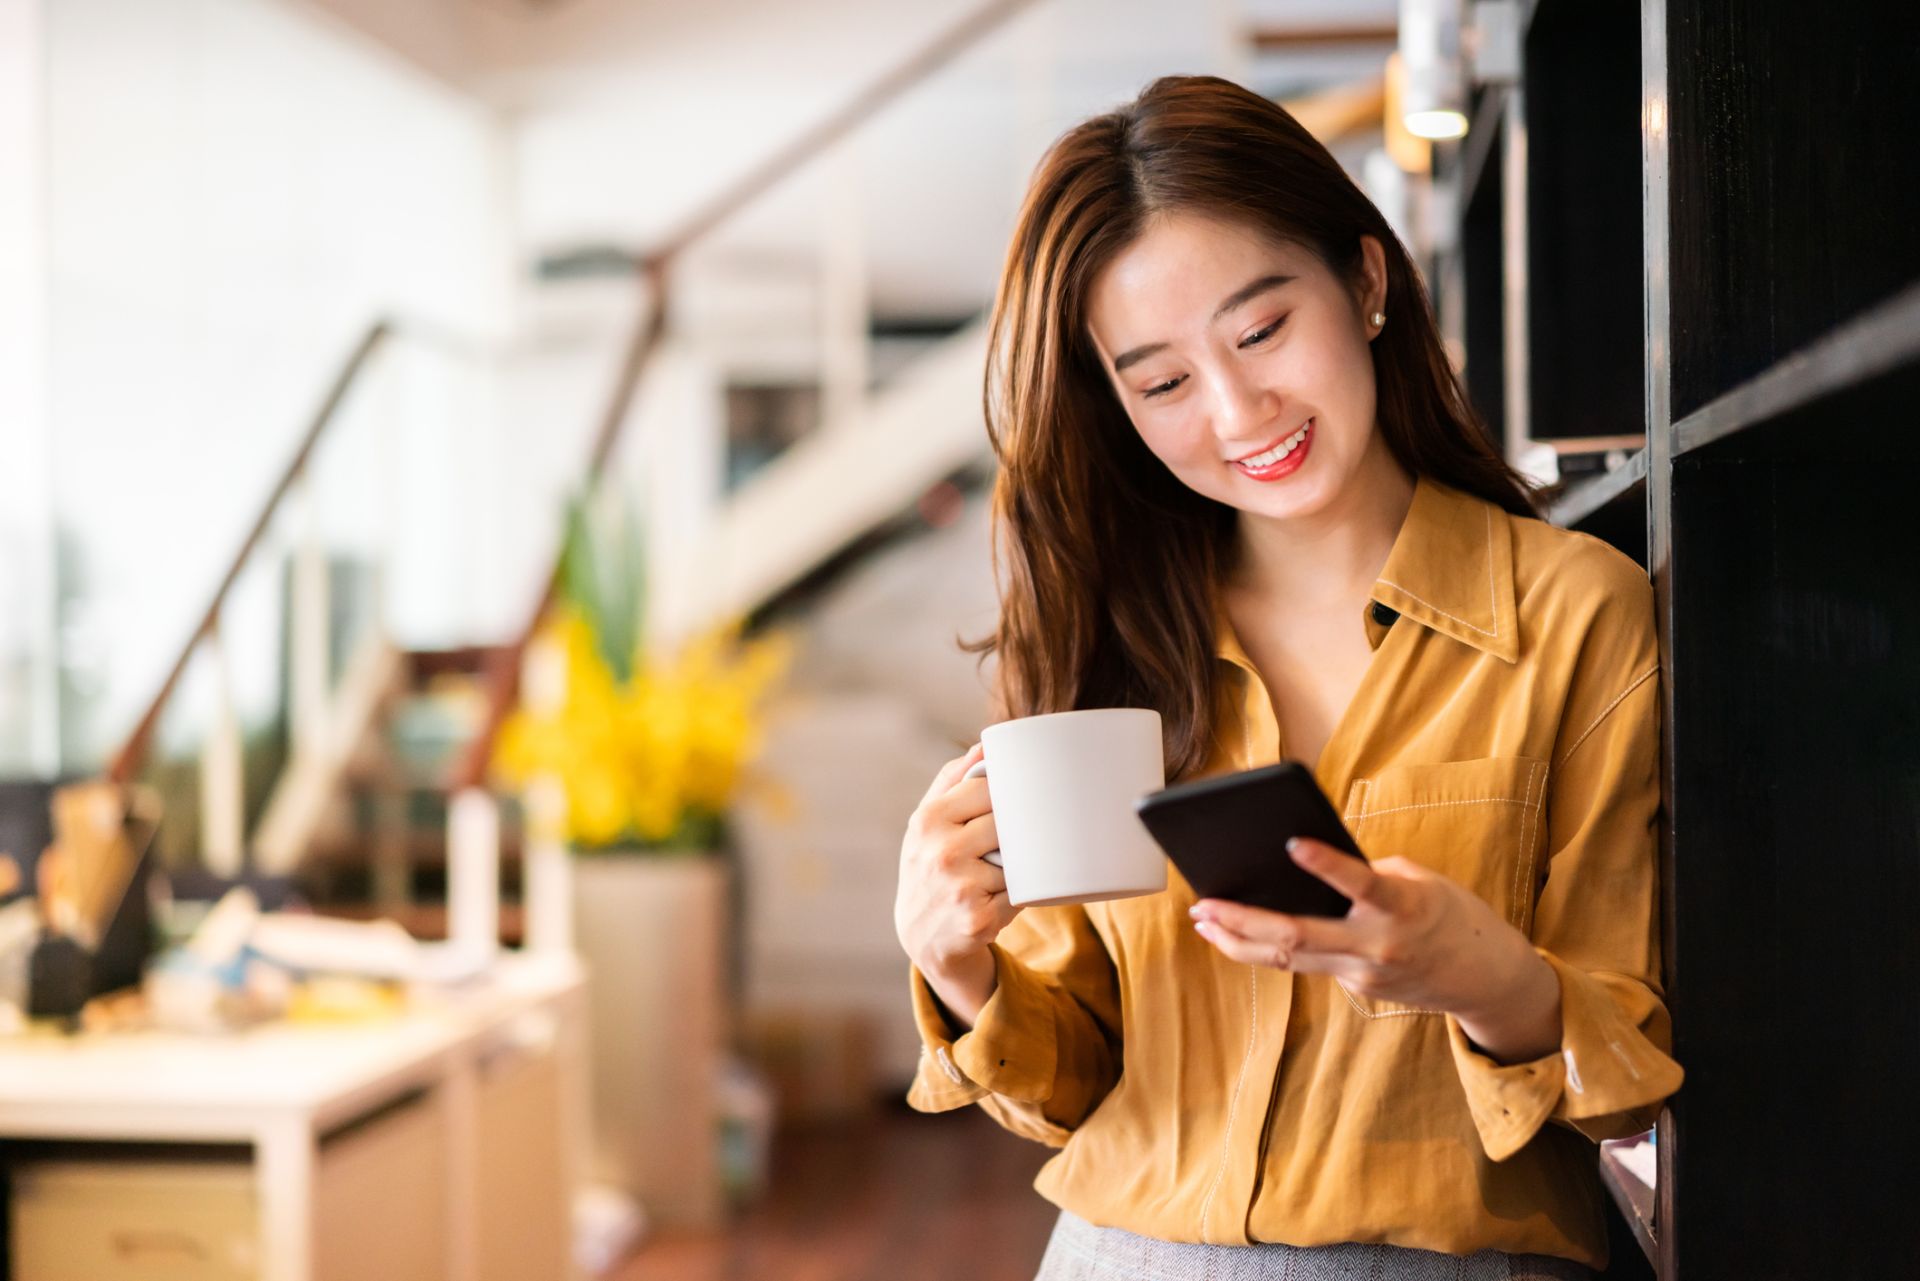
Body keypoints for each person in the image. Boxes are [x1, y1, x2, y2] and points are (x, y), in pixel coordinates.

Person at [891, 75, 1683, 1279]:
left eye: (1261, 330)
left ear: (1367, 283)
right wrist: (956, 969)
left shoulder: (1575, 614)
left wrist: (1487, 980)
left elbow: (1628, 1079)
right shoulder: (1101, 652)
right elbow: (1071, 1080)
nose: (1238, 407)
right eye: (1161, 383)